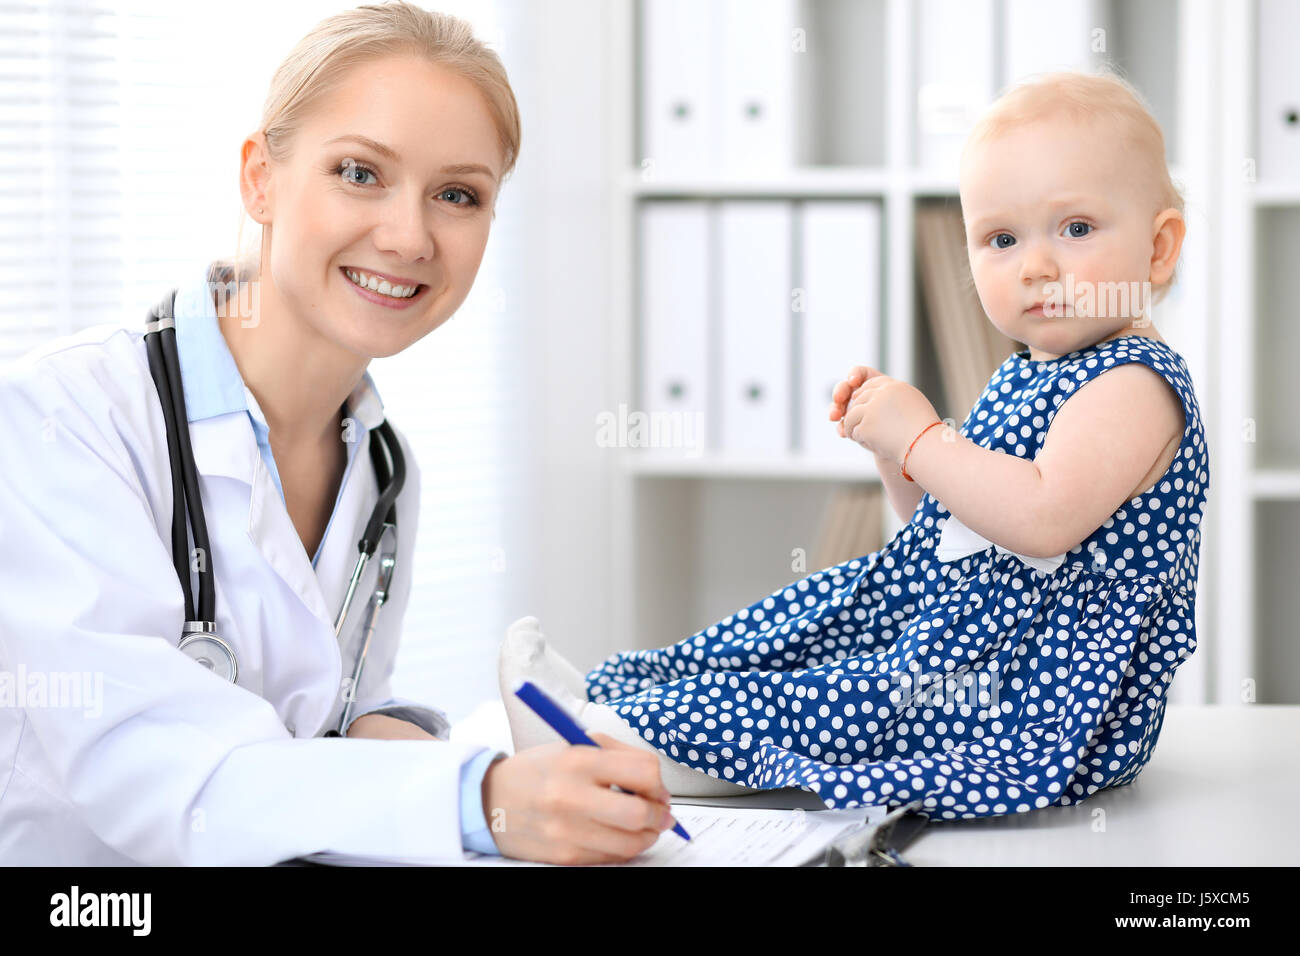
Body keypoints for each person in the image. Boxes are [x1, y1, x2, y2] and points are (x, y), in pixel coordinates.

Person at [0, 1, 674, 866]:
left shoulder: (383, 467)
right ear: (260, 179)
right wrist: (479, 801)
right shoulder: (63, 419)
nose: (408, 236)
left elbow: (328, 723)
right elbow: (156, 770)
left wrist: (451, 761)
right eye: (360, 173)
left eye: (457, 195)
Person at [500, 70, 1210, 821]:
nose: (1035, 266)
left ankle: (605, 741)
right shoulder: (1034, 371)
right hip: (962, 630)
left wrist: (926, 437)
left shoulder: (1133, 383)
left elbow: (1042, 519)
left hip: (1032, 687)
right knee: (790, 633)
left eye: (1075, 229)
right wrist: (896, 456)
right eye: (1001, 238)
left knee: (826, 699)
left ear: (1159, 249)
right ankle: (611, 697)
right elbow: (951, 530)